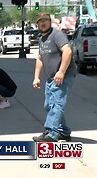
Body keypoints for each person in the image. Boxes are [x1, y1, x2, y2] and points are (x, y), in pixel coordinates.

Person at [32, 12, 76, 142]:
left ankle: (51, 133)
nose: (43, 23)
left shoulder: (57, 35)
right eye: (40, 21)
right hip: (51, 77)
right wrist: (36, 77)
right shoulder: (42, 39)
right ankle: (64, 132)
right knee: (48, 105)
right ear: (37, 24)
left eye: (45, 20)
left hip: (64, 75)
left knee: (57, 104)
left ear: (50, 22)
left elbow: (67, 51)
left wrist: (61, 72)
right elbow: (40, 59)